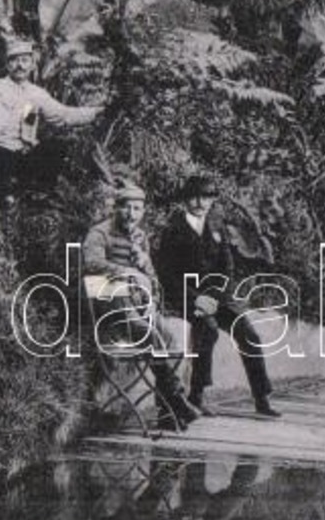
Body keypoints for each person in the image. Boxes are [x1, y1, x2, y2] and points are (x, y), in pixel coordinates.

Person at [155, 176, 279, 418]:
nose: (200, 202)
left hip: (215, 296)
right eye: (194, 197)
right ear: (185, 200)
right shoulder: (173, 230)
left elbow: (227, 267)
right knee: (207, 330)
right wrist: (195, 299)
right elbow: (166, 273)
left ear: (212, 201)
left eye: (206, 197)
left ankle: (262, 397)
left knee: (248, 332)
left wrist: (215, 296)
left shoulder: (216, 226)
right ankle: (196, 395)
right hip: (184, 297)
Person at [82, 184, 201, 431]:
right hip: (110, 307)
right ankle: (178, 401)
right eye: (126, 207)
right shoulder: (99, 233)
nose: (131, 214)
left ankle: (167, 413)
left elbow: (153, 281)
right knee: (151, 336)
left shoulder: (140, 237)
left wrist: (146, 267)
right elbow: (91, 264)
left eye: (137, 209)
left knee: (169, 339)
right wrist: (124, 271)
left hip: (138, 305)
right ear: (116, 208)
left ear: (143, 212)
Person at [0, 39, 100, 198]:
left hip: (23, 152)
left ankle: (37, 194)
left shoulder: (36, 94)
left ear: (32, 64)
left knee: (56, 147)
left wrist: (95, 112)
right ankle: (3, 195)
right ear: (7, 64)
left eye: (24, 60)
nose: (20, 65)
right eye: (14, 60)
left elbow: (63, 115)